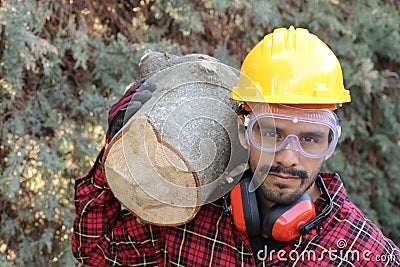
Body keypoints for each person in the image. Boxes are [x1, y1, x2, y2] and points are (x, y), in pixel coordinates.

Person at [72, 26, 400, 266]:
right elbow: (96, 251)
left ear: (331, 142)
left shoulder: (364, 253)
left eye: (310, 139)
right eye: (270, 133)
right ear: (244, 131)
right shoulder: (193, 221)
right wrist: (118, 148)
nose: (288, 157)